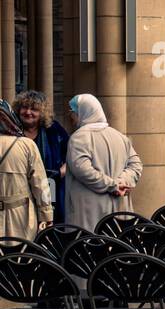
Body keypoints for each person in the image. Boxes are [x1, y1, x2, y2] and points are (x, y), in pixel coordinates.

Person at [65, 93, 143, 232]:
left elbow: (82, 170)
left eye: (72, 112)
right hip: (120, 212)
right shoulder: (119, 136)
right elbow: (135, 165)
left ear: (82, 112)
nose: (70, 117)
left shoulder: (78, 137)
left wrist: (113, 185)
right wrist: (122, 182)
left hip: (89, 215)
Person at [0, 100, 53, 240]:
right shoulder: (27, 145)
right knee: (20, 255)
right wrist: (46, 214)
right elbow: (41, 185)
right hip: (21, 216)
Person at [14, 89, 69, 223]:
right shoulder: (11, 130)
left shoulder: (54, 130)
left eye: (34, 109)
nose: (28, 112)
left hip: (50, 186)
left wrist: (62, 171)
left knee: (49, 225)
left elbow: (71, 154)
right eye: (24, 107)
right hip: (19, 189)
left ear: (42, 113)